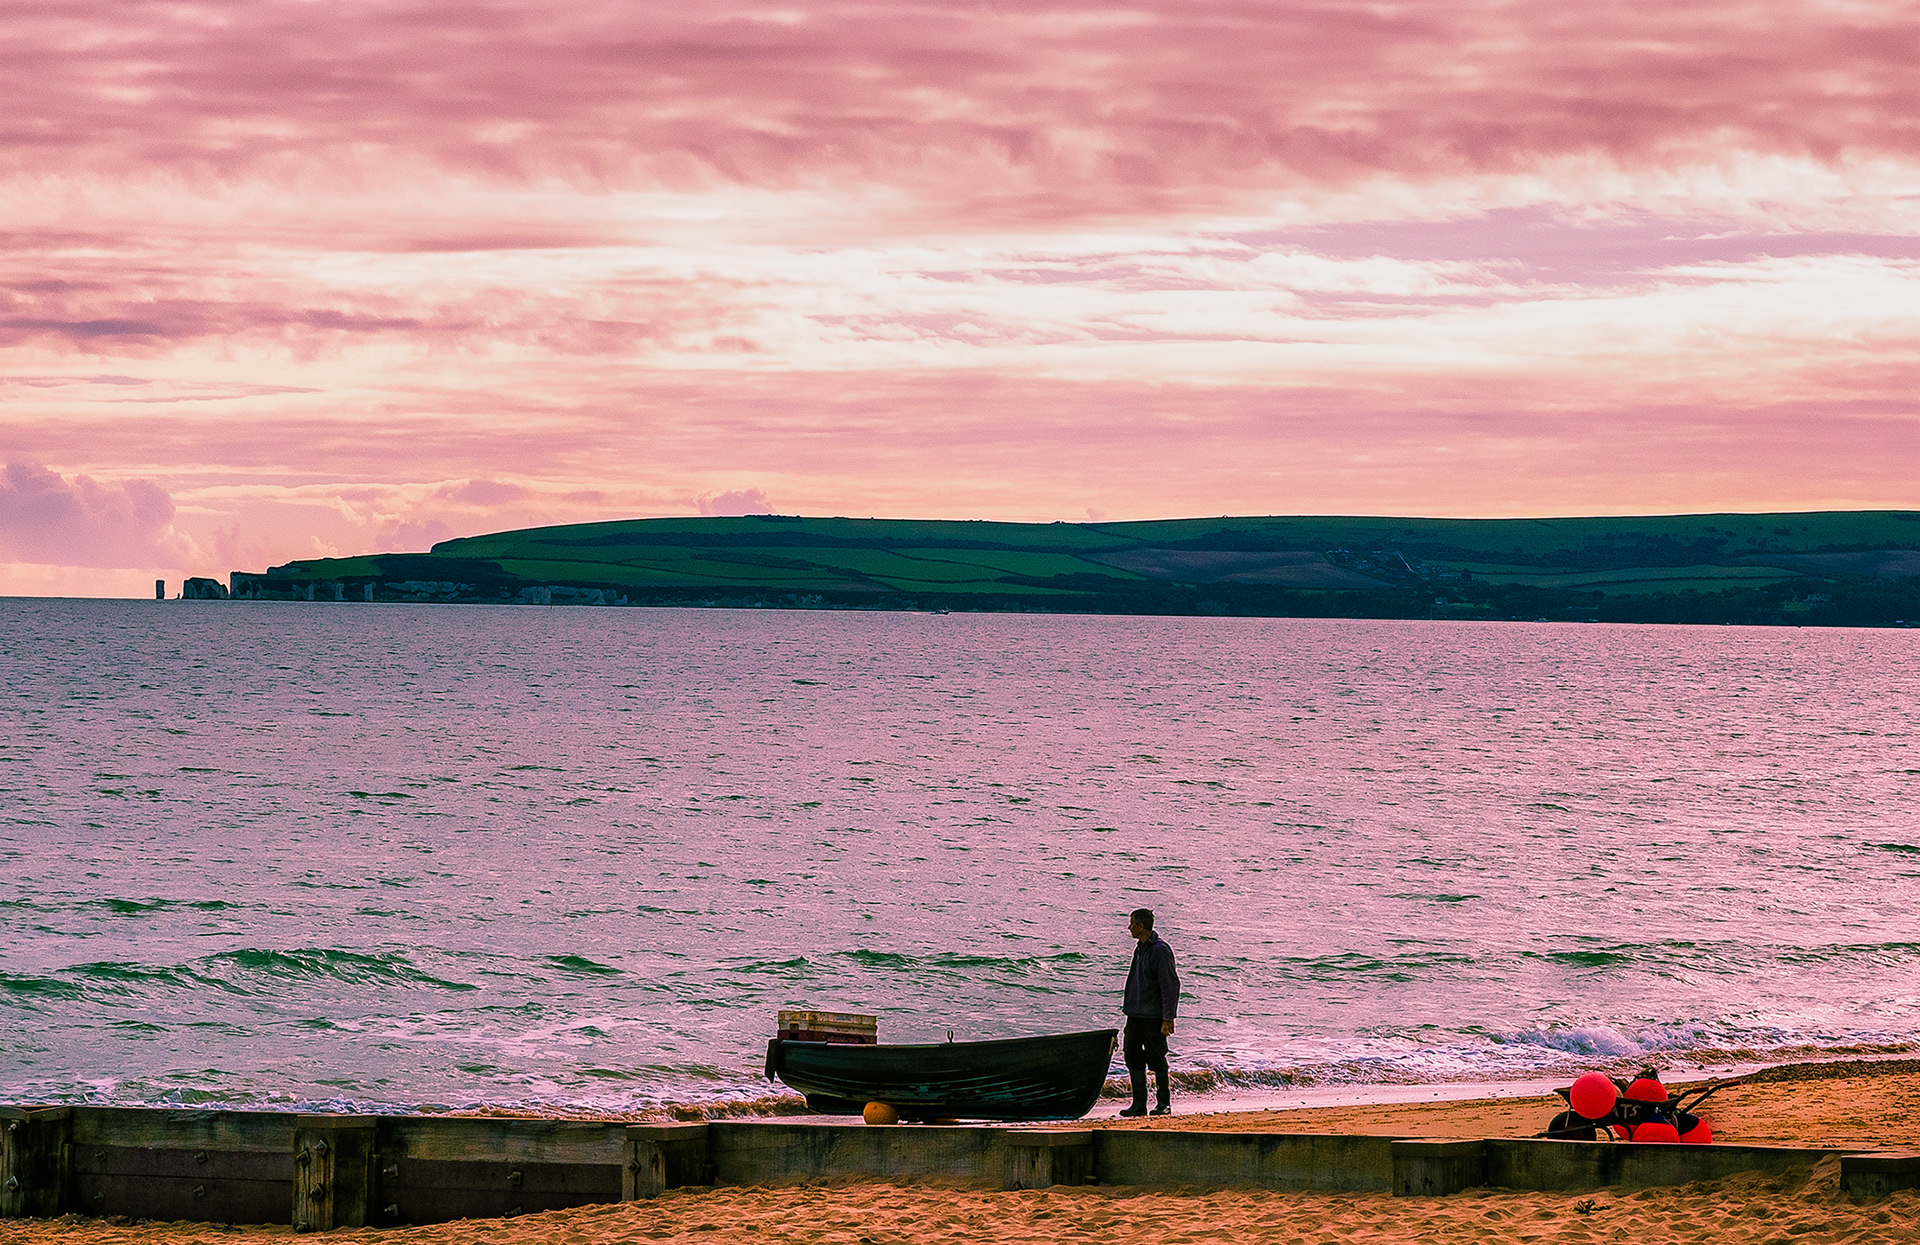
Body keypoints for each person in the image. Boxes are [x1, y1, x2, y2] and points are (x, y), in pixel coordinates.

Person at [1120, 907, 1179, 1116]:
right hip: (1134, 1014)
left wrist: (1168, 1017)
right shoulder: (1140, 949)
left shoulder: (1160, 950)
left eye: (1132, 924)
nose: (1129, 927)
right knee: (1132, 1056)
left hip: (1153, 1017)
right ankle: (1139, 1105)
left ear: (1140, 926)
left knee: (1157, 1058)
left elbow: (1170, 985)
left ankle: (1164, 1103)